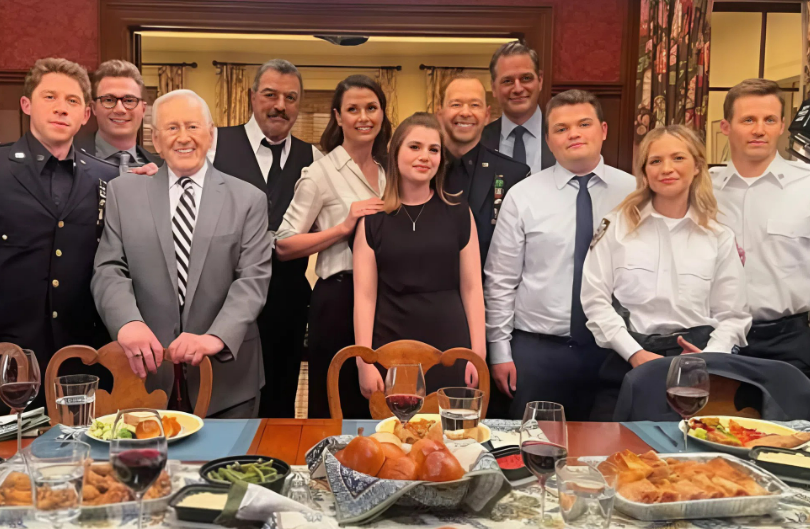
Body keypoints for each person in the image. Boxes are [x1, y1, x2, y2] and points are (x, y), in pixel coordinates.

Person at [92, 89, 273, 418]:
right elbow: (109, 269)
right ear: (156, 140)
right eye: (172, 128)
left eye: (192, 126)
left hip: (227, 379)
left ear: (211, 135)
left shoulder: (248, 199)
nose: (183, 137)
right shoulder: (124, 193)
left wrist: (215, 337)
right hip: (144, 376)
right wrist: (127, 322)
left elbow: (253, 280)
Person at [582, 125, 752, 419]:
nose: (667, 169)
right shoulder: (617, 227)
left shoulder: (718, 236)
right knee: (610, 444)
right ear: (644, 172)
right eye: (656, 161)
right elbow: (595, 301)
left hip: (698, 364)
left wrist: (707, 360)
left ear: (697, 166)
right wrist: (635, 354)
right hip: (628, 358)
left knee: (689, 447)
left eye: (678, 158)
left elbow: (734, 316)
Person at [484, 89, 635, 420]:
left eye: (584, 124)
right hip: (538, 353)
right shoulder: (522, 196)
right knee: (532, 447)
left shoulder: (634, 193)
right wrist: (499, 351)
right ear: (549, 141)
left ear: (603, 130)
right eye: (561, 128)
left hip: (616, 350)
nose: (574, 134)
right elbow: (500, 280)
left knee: (610, 448)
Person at [0, 58, 119, 408]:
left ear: (85, 114)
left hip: (84, 359)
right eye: (49, 97)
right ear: (27, 104)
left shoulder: (109, 179)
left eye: (72, 101)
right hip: (10, 359)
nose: (61, 108)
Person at [209, 59, 322, 418]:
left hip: (287, 302)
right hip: (222, 299)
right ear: (252, 96)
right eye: (271, 95)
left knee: (280, 403)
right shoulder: (213, 144)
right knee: (224, 401)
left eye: (291, 98)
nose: (280, 106)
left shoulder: (314, 159)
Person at [275, 75, 391, 419]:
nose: (363, 117)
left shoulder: (391, 171)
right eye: (353, 109)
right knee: (336, 408)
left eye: (371, 108)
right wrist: (343, 228)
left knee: (381, 405)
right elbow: (283, 243)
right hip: (339, 300)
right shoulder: (319, 173)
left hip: (386, 303)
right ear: (338, 117)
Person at [353, 112, 485, 398]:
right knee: (397, 426)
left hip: (451, 346)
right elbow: (364, 297)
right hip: (391, 348)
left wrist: (478, 352)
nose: (425, 156)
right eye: (415, 147)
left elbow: (472, 288)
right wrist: (364, 361)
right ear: (395, 151)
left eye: (433, 150)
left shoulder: (459, 214)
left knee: (451, 427)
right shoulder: (372, 220)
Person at [711, 79, 810, 379]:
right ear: (726, 127)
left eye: (769, 120)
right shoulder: (702, 190)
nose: (759, 130)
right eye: (748, 120)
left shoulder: (806, 186)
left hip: (789, 342)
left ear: (782, 126)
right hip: (714, 337)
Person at [437, 74, 530, 265]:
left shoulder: (515, 175)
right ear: (440, 113)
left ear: (487, 115)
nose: (465, 112)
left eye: (474, 105)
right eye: (456, 104)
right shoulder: (419, 170)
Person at [481, 41, 555, 173]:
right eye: (507, 81)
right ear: (493, 88)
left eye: (526, 78)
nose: (518, 89)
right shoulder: (479, 141)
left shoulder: (564, 135)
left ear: (540, 80)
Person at [74, 60, 162, 172]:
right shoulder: (67, 159)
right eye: (109, 100)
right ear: (94, 108)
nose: (119, 110)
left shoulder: (162, 169)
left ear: (143, 109)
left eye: (129, 100)